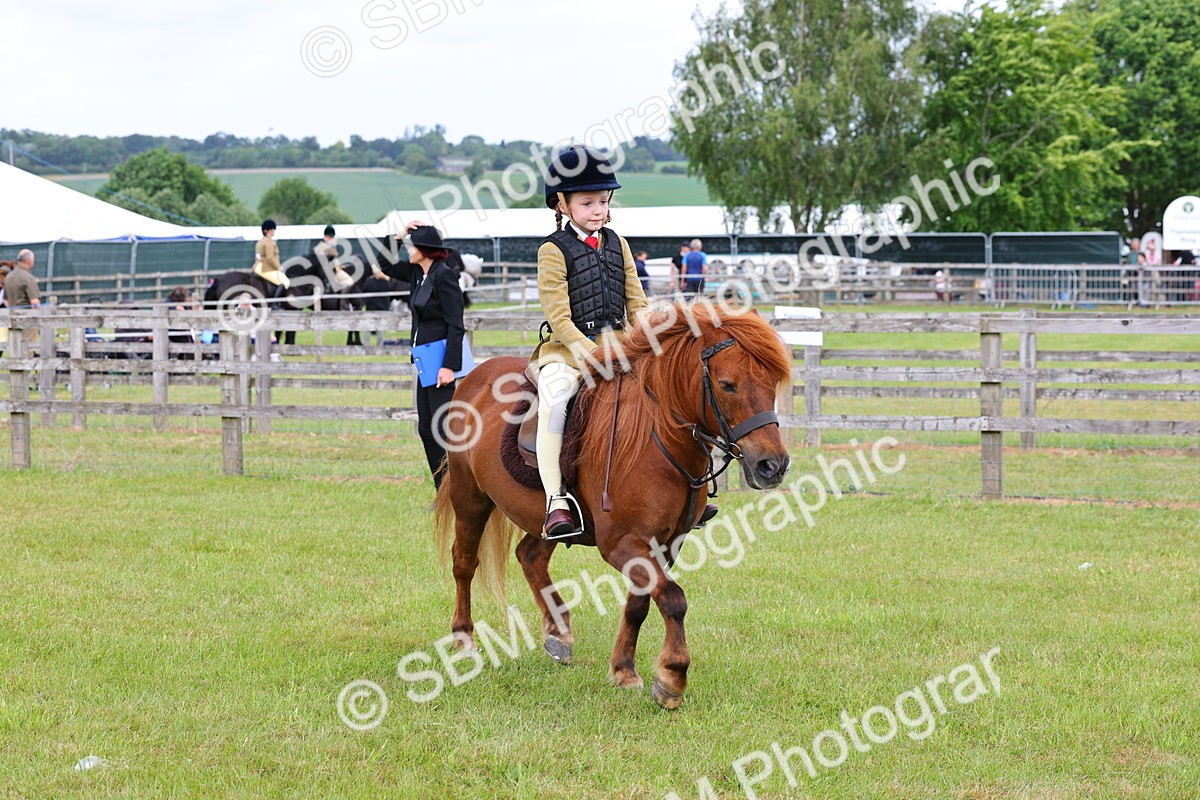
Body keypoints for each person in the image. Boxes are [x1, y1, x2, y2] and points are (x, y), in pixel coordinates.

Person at [372, 222, 466, 488]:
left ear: (425, 250)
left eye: (412, 246)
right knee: (425, 428)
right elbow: (384, 264)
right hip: (423, 359)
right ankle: (442, 487)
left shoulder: (444, 276)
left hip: (440, 362)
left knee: (442, 428)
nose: (409, 250)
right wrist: (399, 236)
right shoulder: (415, 272)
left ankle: (459, 487)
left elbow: (456, 325)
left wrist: (449, 366)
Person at [4, 249, 42, 344]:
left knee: (14, 346)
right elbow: (35, 302)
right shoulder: (28, 277)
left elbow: (5, 300)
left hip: (12, 319)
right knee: (28, 346)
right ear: (28, 260)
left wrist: (13, 310)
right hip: (28, 319)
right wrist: (37, 318)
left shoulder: (8, 277)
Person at [253, 219, 289, 294]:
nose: (273, 231)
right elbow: (270, 258)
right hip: (265, 268)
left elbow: (257, 257)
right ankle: (275, 301)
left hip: (258, 267)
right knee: (285, 282)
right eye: (272, 229)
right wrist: (279, 268)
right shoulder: (269, 242)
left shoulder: (260, 241)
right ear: (266, 231)